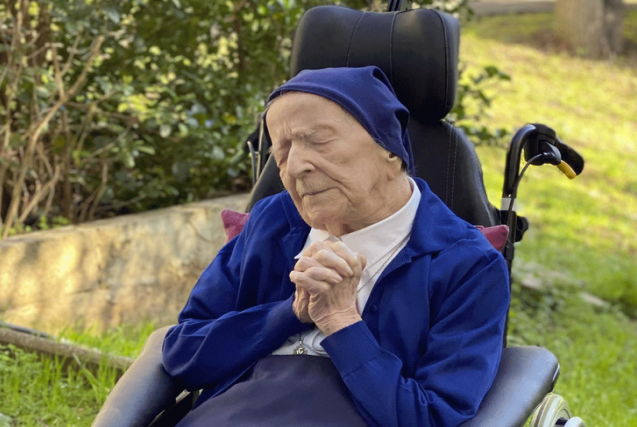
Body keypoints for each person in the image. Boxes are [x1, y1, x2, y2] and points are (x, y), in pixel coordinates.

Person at [161, 66, 510, 427]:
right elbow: (183, 353)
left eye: (317, 140)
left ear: (389, 149)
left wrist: (341, 321)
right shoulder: (272, 222)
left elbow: (431, 417)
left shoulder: (468, 265)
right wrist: (289, 313)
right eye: (281, 152)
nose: (295, 166)